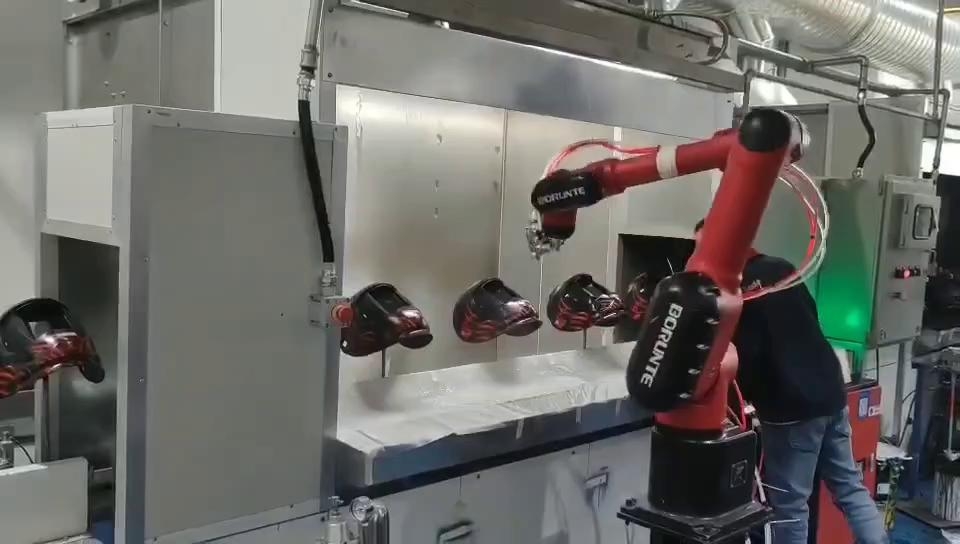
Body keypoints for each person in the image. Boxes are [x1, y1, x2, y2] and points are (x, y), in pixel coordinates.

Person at [693, 219, 887, 544]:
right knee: (849, 486)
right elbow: (810, 316)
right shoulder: (780, 267)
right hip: (830, 391)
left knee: (789, 506)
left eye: (702, 247)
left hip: (791, 408)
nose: (699, 256)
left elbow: (746, 355)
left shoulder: (734, 292)